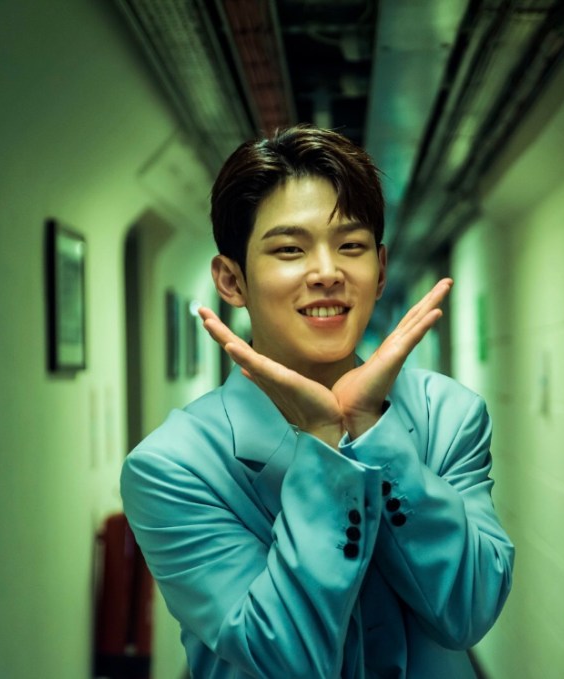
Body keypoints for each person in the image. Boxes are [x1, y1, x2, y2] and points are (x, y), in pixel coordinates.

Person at [121, 125, 514, 678]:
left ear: (380, 270)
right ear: (231, 281)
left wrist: (372, 430)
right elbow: (286, 658)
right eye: (289, 249)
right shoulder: (173, 467)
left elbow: (468, 612)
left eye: (351, 247)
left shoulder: (447, 414)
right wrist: (325, 447)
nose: (327, 273)